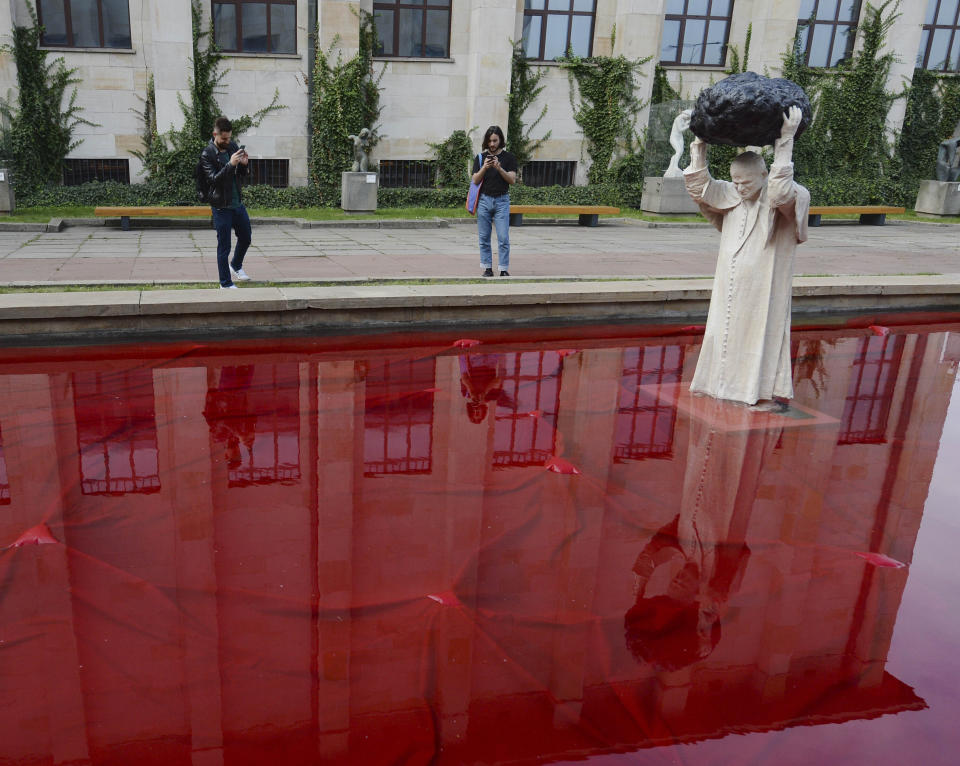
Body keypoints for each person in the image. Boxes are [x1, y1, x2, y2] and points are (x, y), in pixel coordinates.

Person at [682, 106, 810, 407]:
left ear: (764, 174)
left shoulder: (792, 195)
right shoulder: (731, 194)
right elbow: (700, 189)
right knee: (723, 330)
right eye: (736, 181)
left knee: (755, 334)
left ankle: (750, 388)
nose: (740, 188)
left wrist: (785, 144)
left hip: (762, 287)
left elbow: (780, 194)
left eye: (747, 183)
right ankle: (717, 383)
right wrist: (699, 147)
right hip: (730, 282)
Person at [199, 116, 251, 289]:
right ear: (215, 134)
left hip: (237, 204)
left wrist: (243, 165)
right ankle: (225, 283)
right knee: (224, 246)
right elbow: (213, 180)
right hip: (221, 207)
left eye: (229, 137)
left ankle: (235, 265)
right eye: (224, 138)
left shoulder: (233, 146)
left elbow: (241, 175)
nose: (228, 141)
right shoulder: (207, 154)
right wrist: (230, 165)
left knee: (246, 238)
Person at [471, 125, 517, 277]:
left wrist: (499, 168)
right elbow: (475, 180)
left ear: (500, 140)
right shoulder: (480, 158)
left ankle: (503, 269)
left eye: (495, 140)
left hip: (501, 201)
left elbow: (512, 180)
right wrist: (484, 167)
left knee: (503, 237)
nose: (492, 144)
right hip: (484, 200)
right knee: (484, 237)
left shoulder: (509, 158)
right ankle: (487, 268)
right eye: (490, 141)